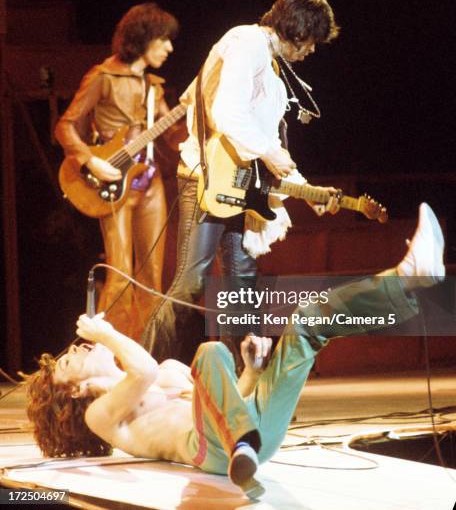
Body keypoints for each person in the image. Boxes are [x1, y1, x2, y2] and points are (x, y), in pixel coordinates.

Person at [26, 203, 445, 499]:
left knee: (306, 324)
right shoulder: (102, 416)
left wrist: (251, 371)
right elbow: (142, 373)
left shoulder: (168, 373)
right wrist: (106, 334)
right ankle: (241, 446)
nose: (79, 348)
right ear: (74, 391)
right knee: (209, 350)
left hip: (255, 433)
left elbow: (229, 399)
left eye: (75, 348)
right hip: (212, 452)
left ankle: (406, 279)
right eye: (69, 361)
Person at [141, 0, 342, 364]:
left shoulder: (272, 65)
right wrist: (266, 151)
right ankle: (144, 376)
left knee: (242, 289)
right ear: (298, 30)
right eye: (311, 41)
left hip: (242, 186)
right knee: (190, 283)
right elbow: (227, 112)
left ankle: (247, 388)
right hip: (207, 180)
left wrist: (308, 192)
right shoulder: (246, 41)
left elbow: (269, 143)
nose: (312, 51)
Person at [55, 3, 184, 341]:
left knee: (153, 274)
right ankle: (108, 353)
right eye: (164, 40)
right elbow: (65, 126)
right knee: (120, 271)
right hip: (114, 180)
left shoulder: (153, 86)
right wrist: (90, 160)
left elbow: (172, 137)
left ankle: (145, 352)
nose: (170, 48)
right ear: (144, 38)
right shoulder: (103, 76)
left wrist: (202, 125)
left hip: (150, 179)